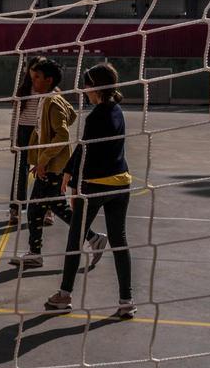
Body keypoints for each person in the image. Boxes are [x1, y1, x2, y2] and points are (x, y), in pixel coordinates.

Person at [45, 63, 135, 318]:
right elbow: (86, 147)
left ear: (95, 87)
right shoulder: (117, 110)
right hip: (121, 183)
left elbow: (87, 152)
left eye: (86, 85)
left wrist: (74, 186)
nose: (84, 90)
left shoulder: (96, 116)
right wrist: (68, 171)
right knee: (120, 242)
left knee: (75, 240)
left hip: (95, 186)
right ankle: (126, 301)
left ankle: (64, 295)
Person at [8, 58, 76, 269]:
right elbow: (70, 115)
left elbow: (63, 132)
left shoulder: (52, 99)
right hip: (40, 150)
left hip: (51, 158)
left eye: (36, 77)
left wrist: (44, 158)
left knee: (47, 205)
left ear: (48, 79)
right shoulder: (36, 95)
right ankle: (34, 251)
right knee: (43, 204)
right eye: (31, 77)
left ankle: (90, 235)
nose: (33, 81)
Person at [8, 59, 44, 226]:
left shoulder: (49, 90)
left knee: (45, 172)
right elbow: (15, 116)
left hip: (41, 133)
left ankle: (46, 209)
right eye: (33, 69)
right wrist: (13, 139)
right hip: (23, 132)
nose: (36, 73)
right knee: (20, 172)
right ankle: (15, 208)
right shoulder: (22, 90)